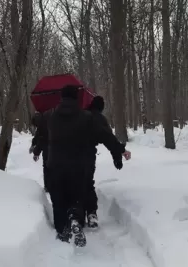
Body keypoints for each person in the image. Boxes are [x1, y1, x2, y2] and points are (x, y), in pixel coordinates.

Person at [45, 85, 127, 247]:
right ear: (77, 98)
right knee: (77, 197)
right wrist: (120, 149)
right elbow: (104, 135)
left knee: (59, 200)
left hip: (55, 166)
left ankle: (62, 232)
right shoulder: (86, 117)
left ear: (62, 97)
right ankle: (75, 219)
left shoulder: (52, 117)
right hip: (78, 165)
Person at [84, 96, 131, 229]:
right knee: (87, 183)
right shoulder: (99, 119)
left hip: (71, 155)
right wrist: (118, 155)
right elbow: (108, 138)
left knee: (76, 183)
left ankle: (76, 214)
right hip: (87, 154)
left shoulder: (81, 115)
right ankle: (91, 213)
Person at [29, 112, 51, 192]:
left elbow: (41, 140)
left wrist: (36, 153)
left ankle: (49, 187)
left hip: (50, 148)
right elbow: (37, 136)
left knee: (48, 167)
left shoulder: (43, 126)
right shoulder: (46, 120)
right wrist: (33, 144)